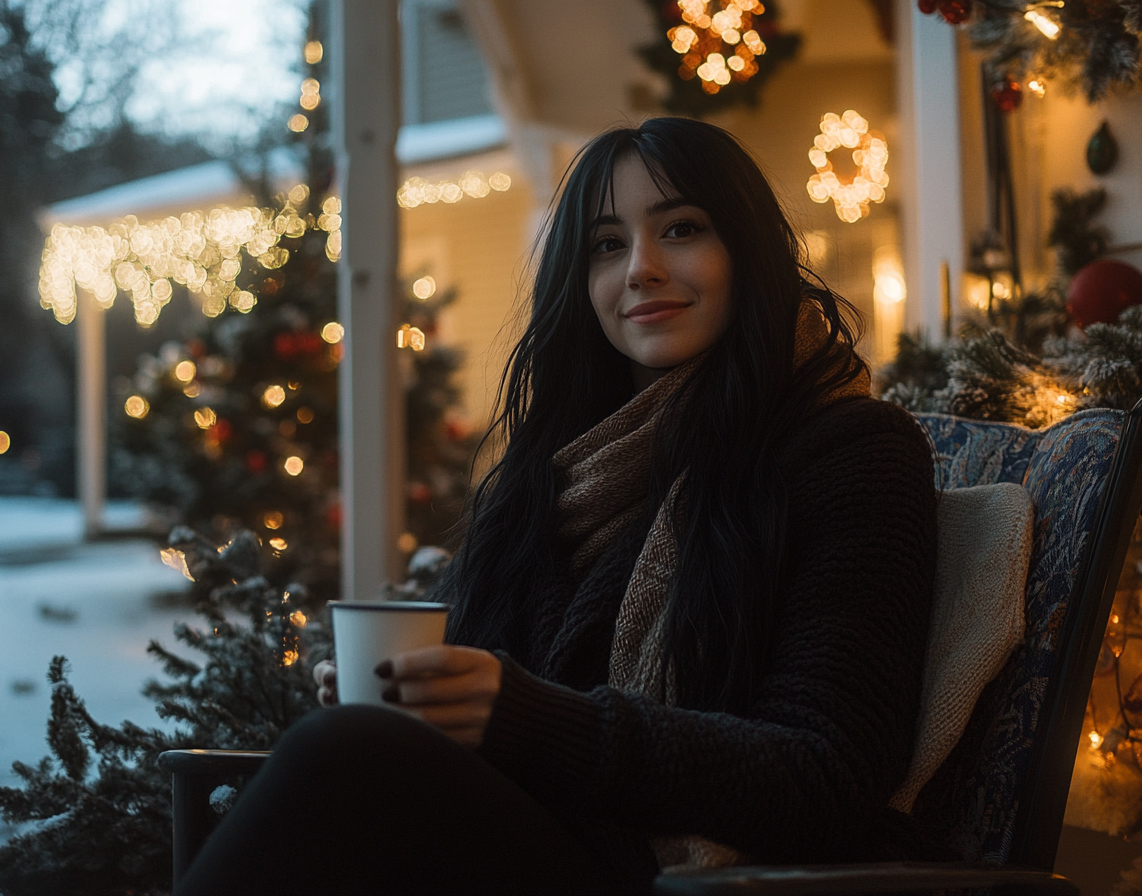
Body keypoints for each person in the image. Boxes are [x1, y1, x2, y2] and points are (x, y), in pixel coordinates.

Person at [174, 117, 939, 896]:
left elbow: (826, 775)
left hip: (688, 879)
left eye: (680, 228)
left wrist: (526, 719)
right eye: (607, 245)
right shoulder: (558, 473)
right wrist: (415, 695)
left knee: (340, 757)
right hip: (533, 846)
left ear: (748, 250)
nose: (640, 269)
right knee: (345, 752)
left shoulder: (850, 451)